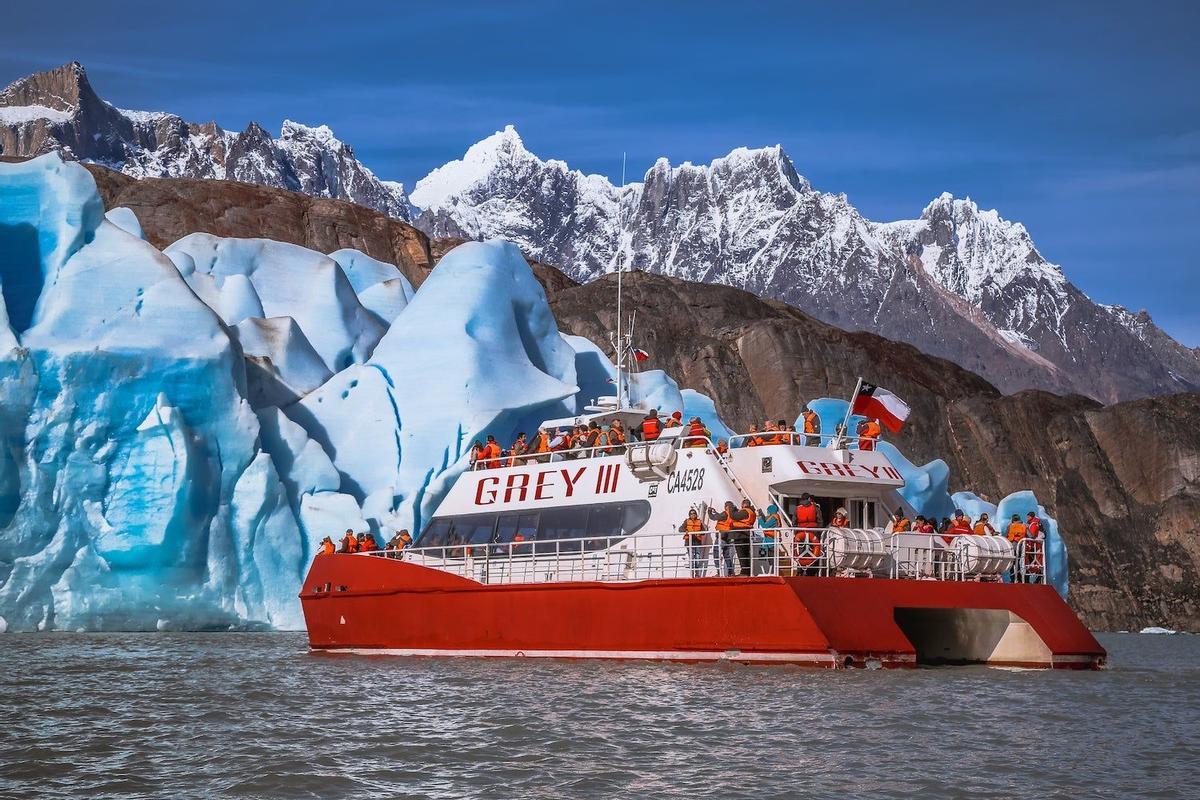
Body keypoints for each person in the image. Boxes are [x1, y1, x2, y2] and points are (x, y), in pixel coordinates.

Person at [792, 493, 823, 573]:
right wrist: (818, 532)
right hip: (813, 531)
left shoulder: (797, 508)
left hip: (801, 531)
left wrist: (797, 532)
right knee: (814, 550)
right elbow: (820, 521)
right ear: (809, 499)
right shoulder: (816, 508)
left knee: (801, 550)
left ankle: (800, 569)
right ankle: (812, 570)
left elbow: (794, 522)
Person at [729, 500, 757, 576]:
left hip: (740, 535)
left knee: (742, 554)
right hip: (745, 534)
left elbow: (734, 516)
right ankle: (747, 571)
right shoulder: (751, 512)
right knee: (745, 554)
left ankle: (745, 572)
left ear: (744, 504)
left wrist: (732, 509)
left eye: (742, 504)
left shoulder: (745, 511)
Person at [679, 509, 708, 577]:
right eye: (691, 514)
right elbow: (680, 529)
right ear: (689, 515)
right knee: (691, 558)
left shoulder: (699, 522)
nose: (693, 515)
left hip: (697, 542)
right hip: (689, 542)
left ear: (696, 514)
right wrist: (686, 530)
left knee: (697, 558)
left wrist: (699, 533)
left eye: (694, 513)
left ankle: (697, 574)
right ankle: (692, 574)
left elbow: (704, 531)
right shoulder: (686, 521)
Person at [757, 504, 783, 574]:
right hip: (767, 541)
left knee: (771, 558)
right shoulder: (773, 517)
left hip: (771, 541)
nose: (767, 512)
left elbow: (765, 526)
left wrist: (759, 519)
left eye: (768, 511)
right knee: (764, 557)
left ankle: (772, 572)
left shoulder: (774, 518)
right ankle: (767, 571)